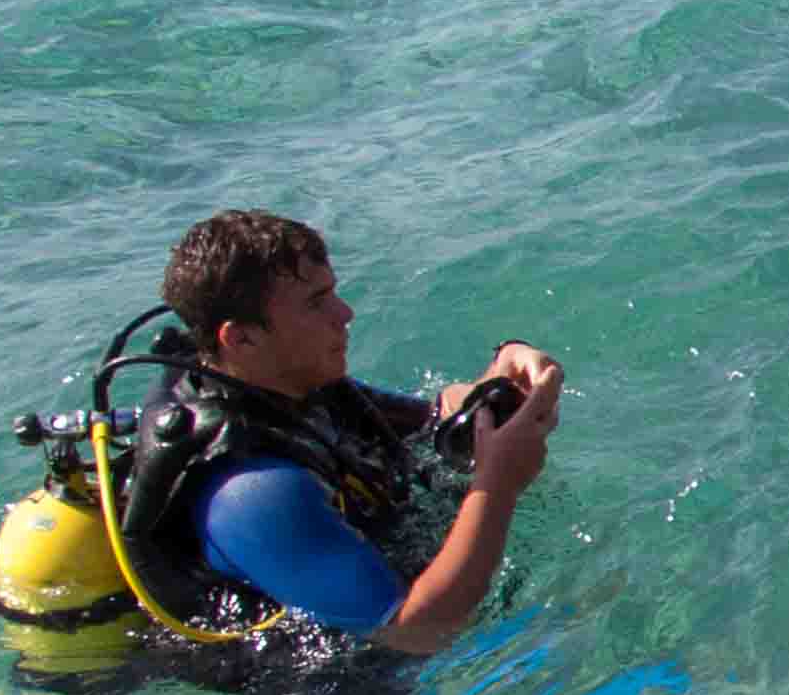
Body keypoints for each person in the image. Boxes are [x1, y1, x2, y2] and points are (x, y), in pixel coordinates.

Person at [91, 209, 560, 660]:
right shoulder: (252, 491)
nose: (345, 313)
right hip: (321, 692)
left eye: (333, 293)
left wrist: (500, 372)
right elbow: (417, 633)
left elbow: (431, 421)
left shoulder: (288, 386)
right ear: (241, 338)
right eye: (317, 303)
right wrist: (497, 486)